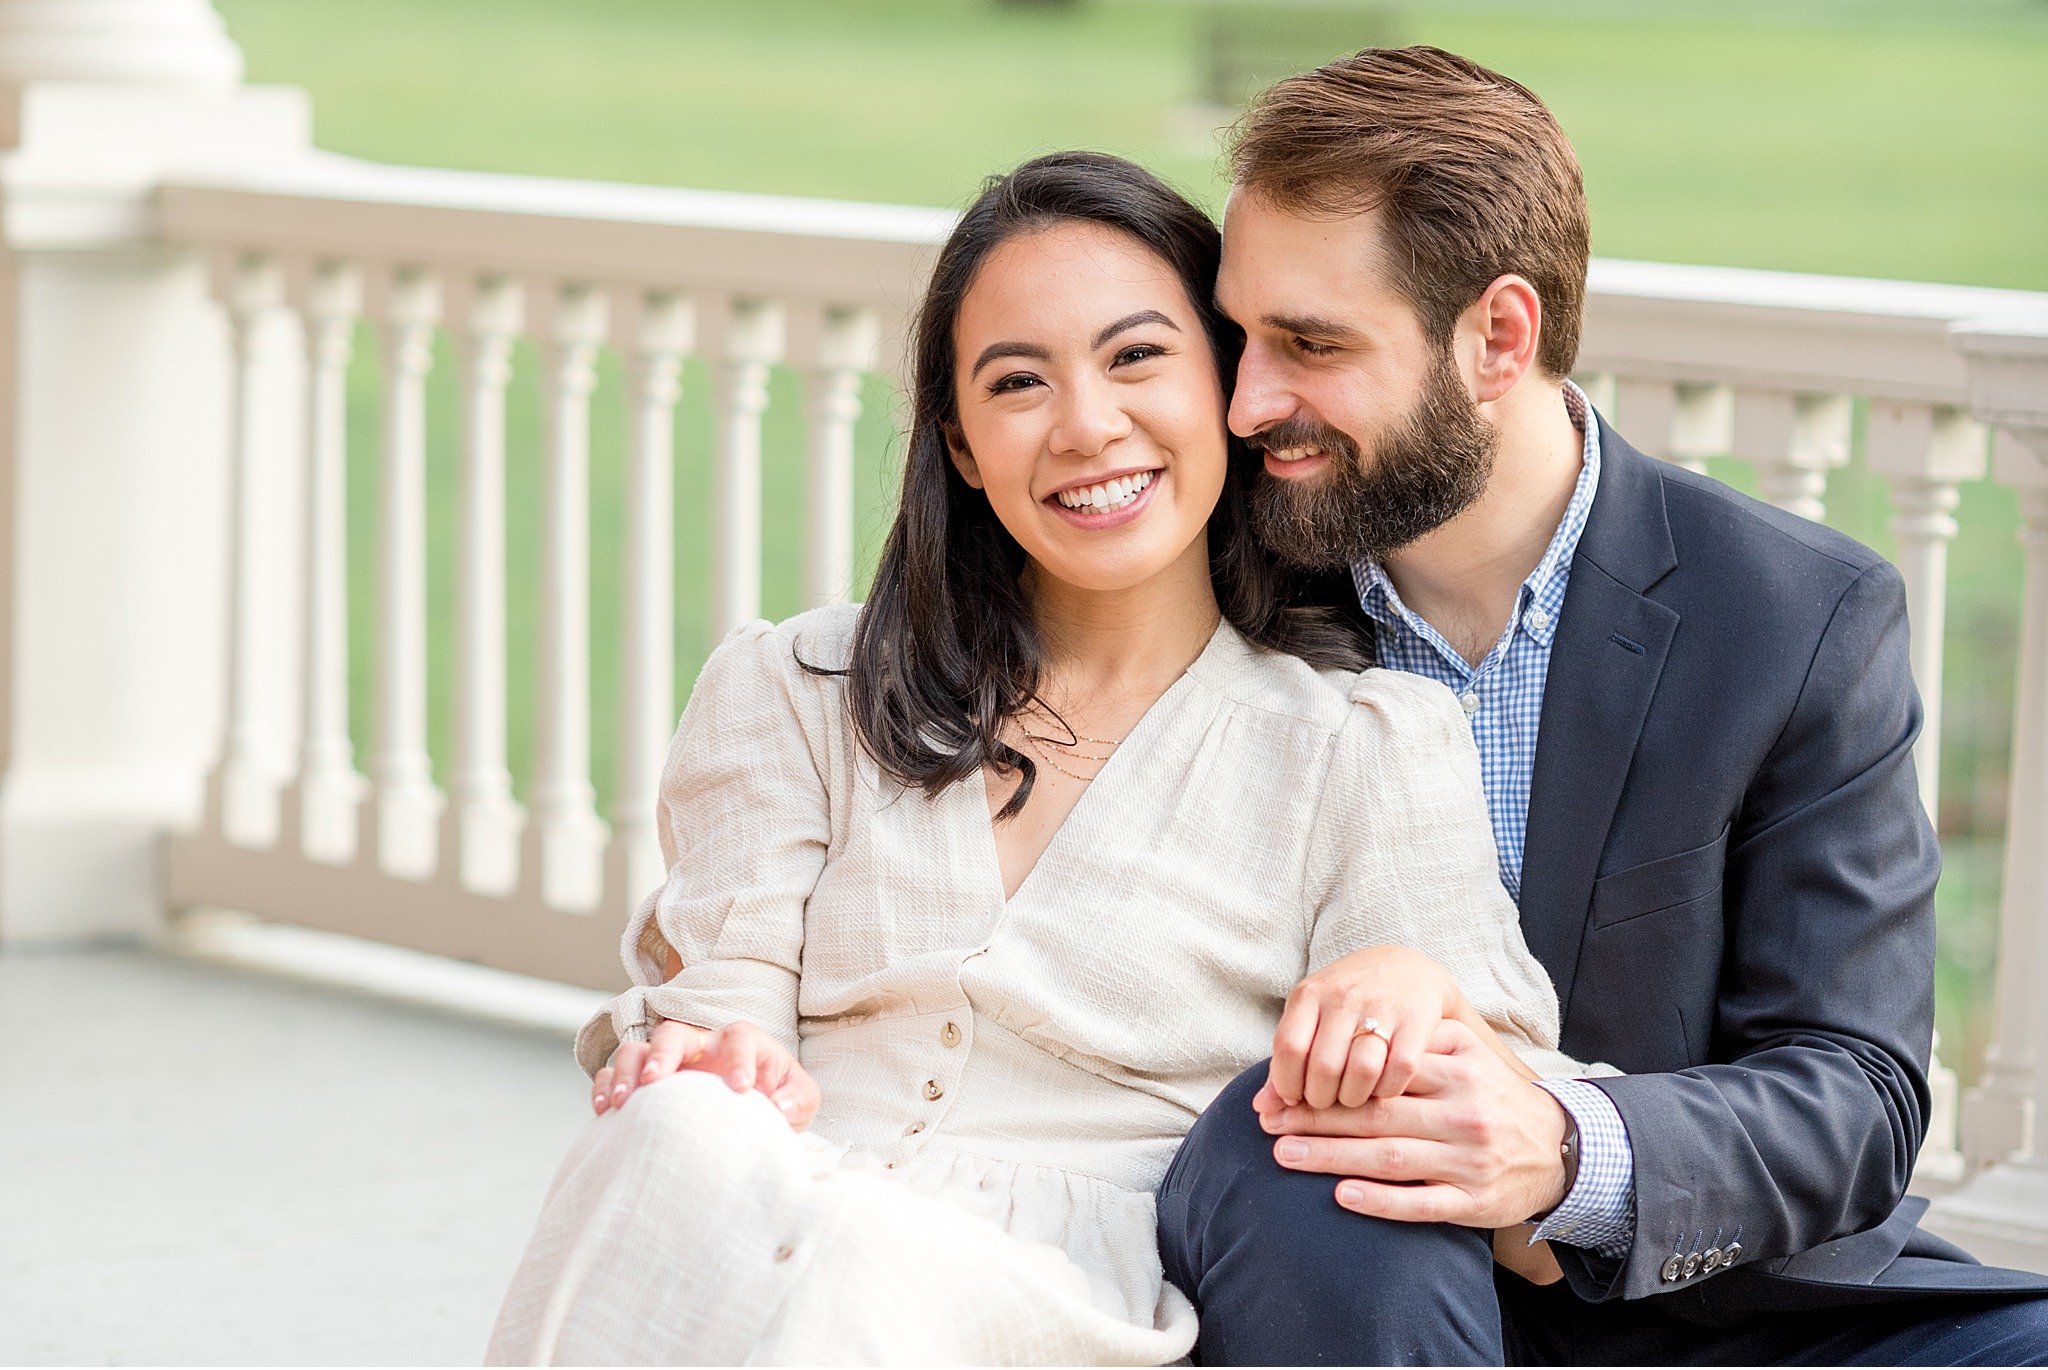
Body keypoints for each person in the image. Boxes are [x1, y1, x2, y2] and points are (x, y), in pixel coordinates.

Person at [484, 151, 1586, 1366]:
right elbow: (724, 980)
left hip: (1048, 1293)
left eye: (1135, 357)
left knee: (851, 1254)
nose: (1085, 425)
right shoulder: (795, 690)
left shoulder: (1355, 749)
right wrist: (716, 1049)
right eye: (1017, 382)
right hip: (766, 1197)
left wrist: (1411, 987)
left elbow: (1503, 1126)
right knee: (674, 1134)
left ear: (1223, 384)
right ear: (959, 444)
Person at [1154, 45, 2048, 1366]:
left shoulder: (1798, 618)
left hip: (1722, 1308)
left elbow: (1852, 1094)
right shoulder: (1204, 573)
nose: (1243, 402)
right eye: (1241, 336)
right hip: (1346, 1263)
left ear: (1498, 336)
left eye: (1312, 344)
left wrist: (1562, 1147)